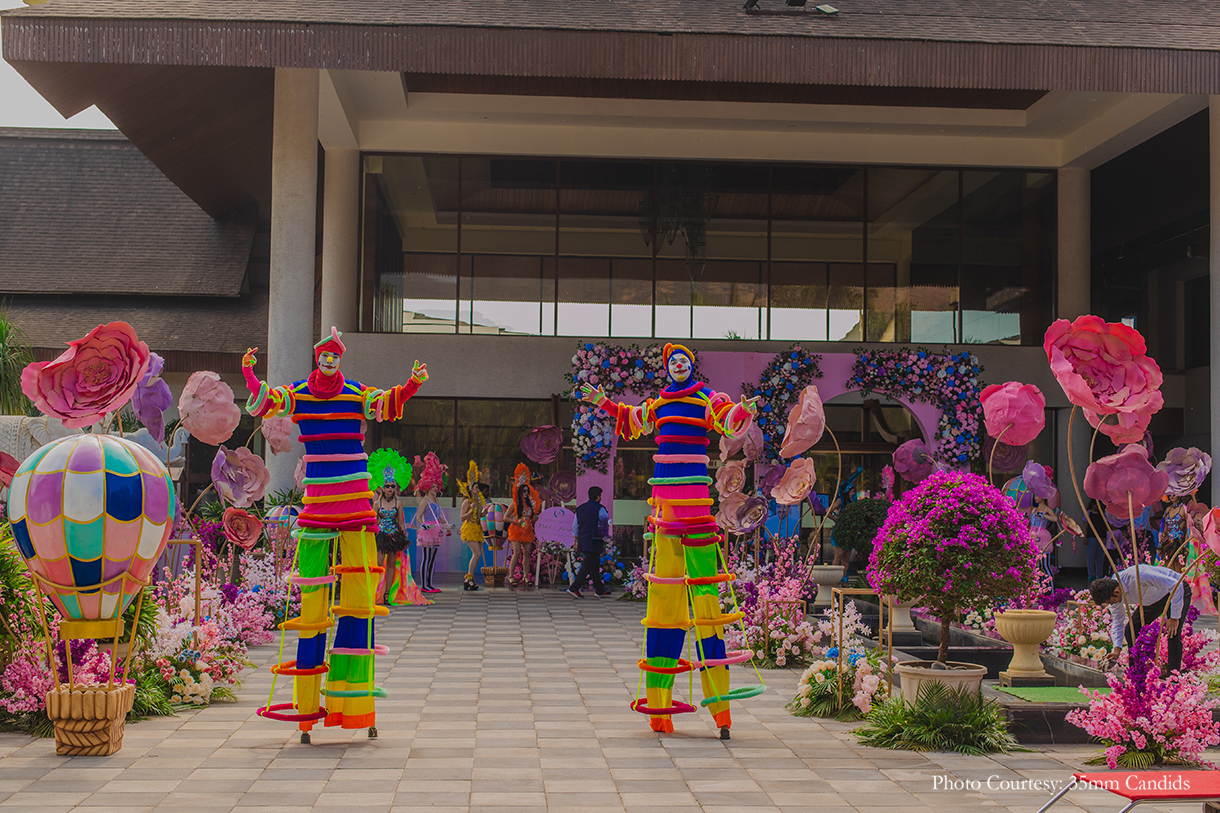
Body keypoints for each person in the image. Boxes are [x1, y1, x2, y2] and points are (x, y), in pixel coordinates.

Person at [1089, 563, 1188, 673]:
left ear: (1116, 592)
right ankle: (1136, 671)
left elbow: (1175, 585)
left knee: (1172, 632)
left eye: (1112, 602)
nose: (1112, 604)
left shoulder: (1138, 575)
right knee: (1131, 630)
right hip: (1152, 599)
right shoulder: (1112, 593)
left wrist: (1174, 618)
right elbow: (1118, 621)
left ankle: (1173, 676)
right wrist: (1117, 649)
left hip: (1176, 590)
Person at [409, 452, 451, 593]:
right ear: (427, 486)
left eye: (436, 486)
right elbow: (419, 517)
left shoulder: (436, 501)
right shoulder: (424, 501)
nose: (435, 489)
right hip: (427, 531)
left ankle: (430, 583)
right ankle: (424, 585)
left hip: (436, 531)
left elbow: (440, 516)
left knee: (432, 558)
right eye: (433, 486)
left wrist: (447, 525)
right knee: (426, 558)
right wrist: (423, 525)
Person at [567, 486, 611, 598]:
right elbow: (604, 523)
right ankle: (574, 588)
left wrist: (576, 540)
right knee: (588, 564)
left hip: (583, 539)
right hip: (595, 540)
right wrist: (605, 537)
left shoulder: (580, 509)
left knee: (594, 564)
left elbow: (575, 526)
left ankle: (599, 589)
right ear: (598, 497)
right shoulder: (600, 508)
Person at [373, 470, 408, 603]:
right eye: (387, 486)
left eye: (392, 486)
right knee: (379, 564)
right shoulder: (377, 503)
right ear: (383, 487)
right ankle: (376, 591)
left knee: (391, 565)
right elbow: (373, 522)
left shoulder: (398, 503)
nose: (390, 488)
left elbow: (401, 523)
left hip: (394, 536)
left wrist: (403, 537)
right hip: (381, 536)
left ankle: (387, 593)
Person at [505, 463, 540, 587]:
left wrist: (534, 518)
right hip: (516, 530)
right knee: (517, 552)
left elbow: (531, 517)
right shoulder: (514, 504)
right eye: (524, 491)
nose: (526, 492)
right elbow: (505, 518)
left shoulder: (530, 504)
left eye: (527, 491)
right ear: (520, 492)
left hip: (528, 530)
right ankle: (510, 576)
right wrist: (517, 521)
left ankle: (526, 576)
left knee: (527, 553)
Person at [458, 462, 487, 592]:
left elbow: (479, 516)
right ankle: (468, 578)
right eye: (475, 487)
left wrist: (483, 513)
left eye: (478, 488)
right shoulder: (466, 501)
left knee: (477, 555)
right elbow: (462, 517)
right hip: (469, 528)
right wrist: (470, 512)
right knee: (476, 554)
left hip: (477, 527)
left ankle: (469, 579)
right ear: (470, 489)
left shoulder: (477, 502)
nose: (477, 489)